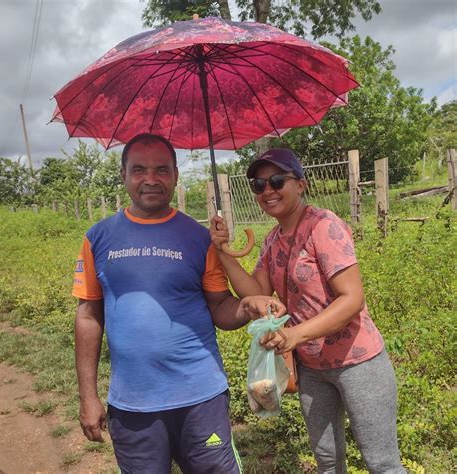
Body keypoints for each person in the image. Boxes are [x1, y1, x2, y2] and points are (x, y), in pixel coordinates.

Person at [72, 133, 285, 474]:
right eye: (139, 169)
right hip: (133, 405)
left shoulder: (199, 238)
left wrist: (246, 307)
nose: (151, 179)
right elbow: (88, 316)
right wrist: (88, 395)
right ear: (124, 175)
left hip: (201, 398)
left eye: (162, 170)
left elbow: (219, 307)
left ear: (175, 175)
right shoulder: (98, 238)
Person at [210, 149, 406, 474]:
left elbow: (352, 298)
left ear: (301, 184)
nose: (267, 191)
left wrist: (294, 334)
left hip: (358, 362)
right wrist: (222, 251)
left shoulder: (323, 227)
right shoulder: (272, 239)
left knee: (381, 463)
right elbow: (255, 293)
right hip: (312, 369)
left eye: (276, 180)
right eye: (259, 185)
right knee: (327, 460)